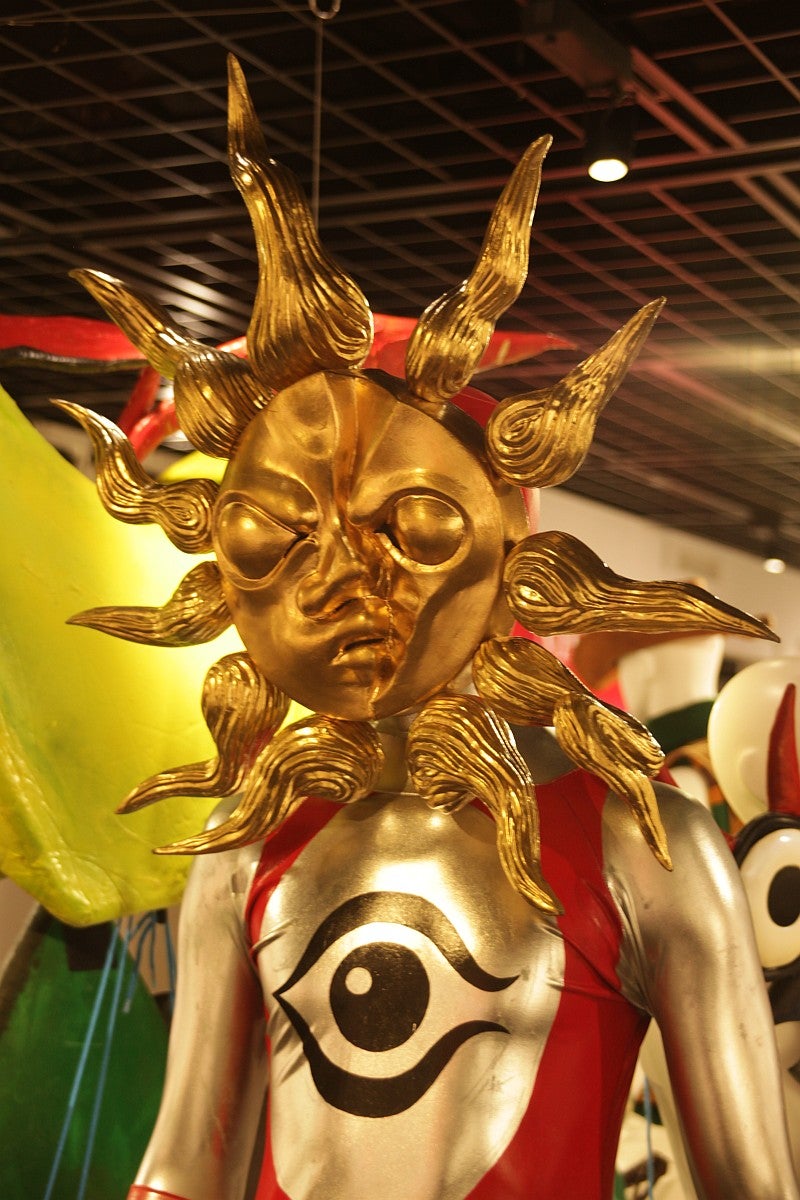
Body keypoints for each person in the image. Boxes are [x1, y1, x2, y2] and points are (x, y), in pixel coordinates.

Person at [64, 55, 797, 1200]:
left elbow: (748, 1182)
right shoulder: (247, 847)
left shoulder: (639, 842)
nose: (341, 580)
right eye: (279, 537)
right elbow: (183, 1164)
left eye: (407, 524)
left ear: (509, 537)